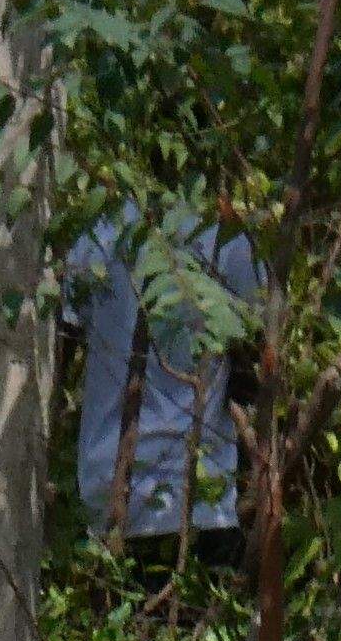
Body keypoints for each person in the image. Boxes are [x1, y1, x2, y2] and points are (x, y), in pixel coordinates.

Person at [65, 203, 267, 564]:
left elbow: (71, 327)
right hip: (198, 495)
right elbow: (260, 329)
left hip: (114, 488)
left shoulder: (98, 230)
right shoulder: (223, 234)